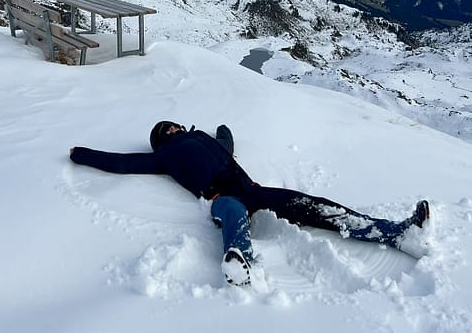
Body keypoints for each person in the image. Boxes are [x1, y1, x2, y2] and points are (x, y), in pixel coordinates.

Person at [69, 121, 430, 287]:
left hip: (254, 189)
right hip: (220, 197)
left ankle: (396, 233)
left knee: (313, 206)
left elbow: (226, 143)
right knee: (231, 215)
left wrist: (222, 131)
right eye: (165, 132)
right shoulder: (163, 157)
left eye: (174, 127)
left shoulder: (203, 140)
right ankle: (239, 262)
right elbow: (121, 163)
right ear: (159, 143)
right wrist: (81, 154)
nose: (173, 131)